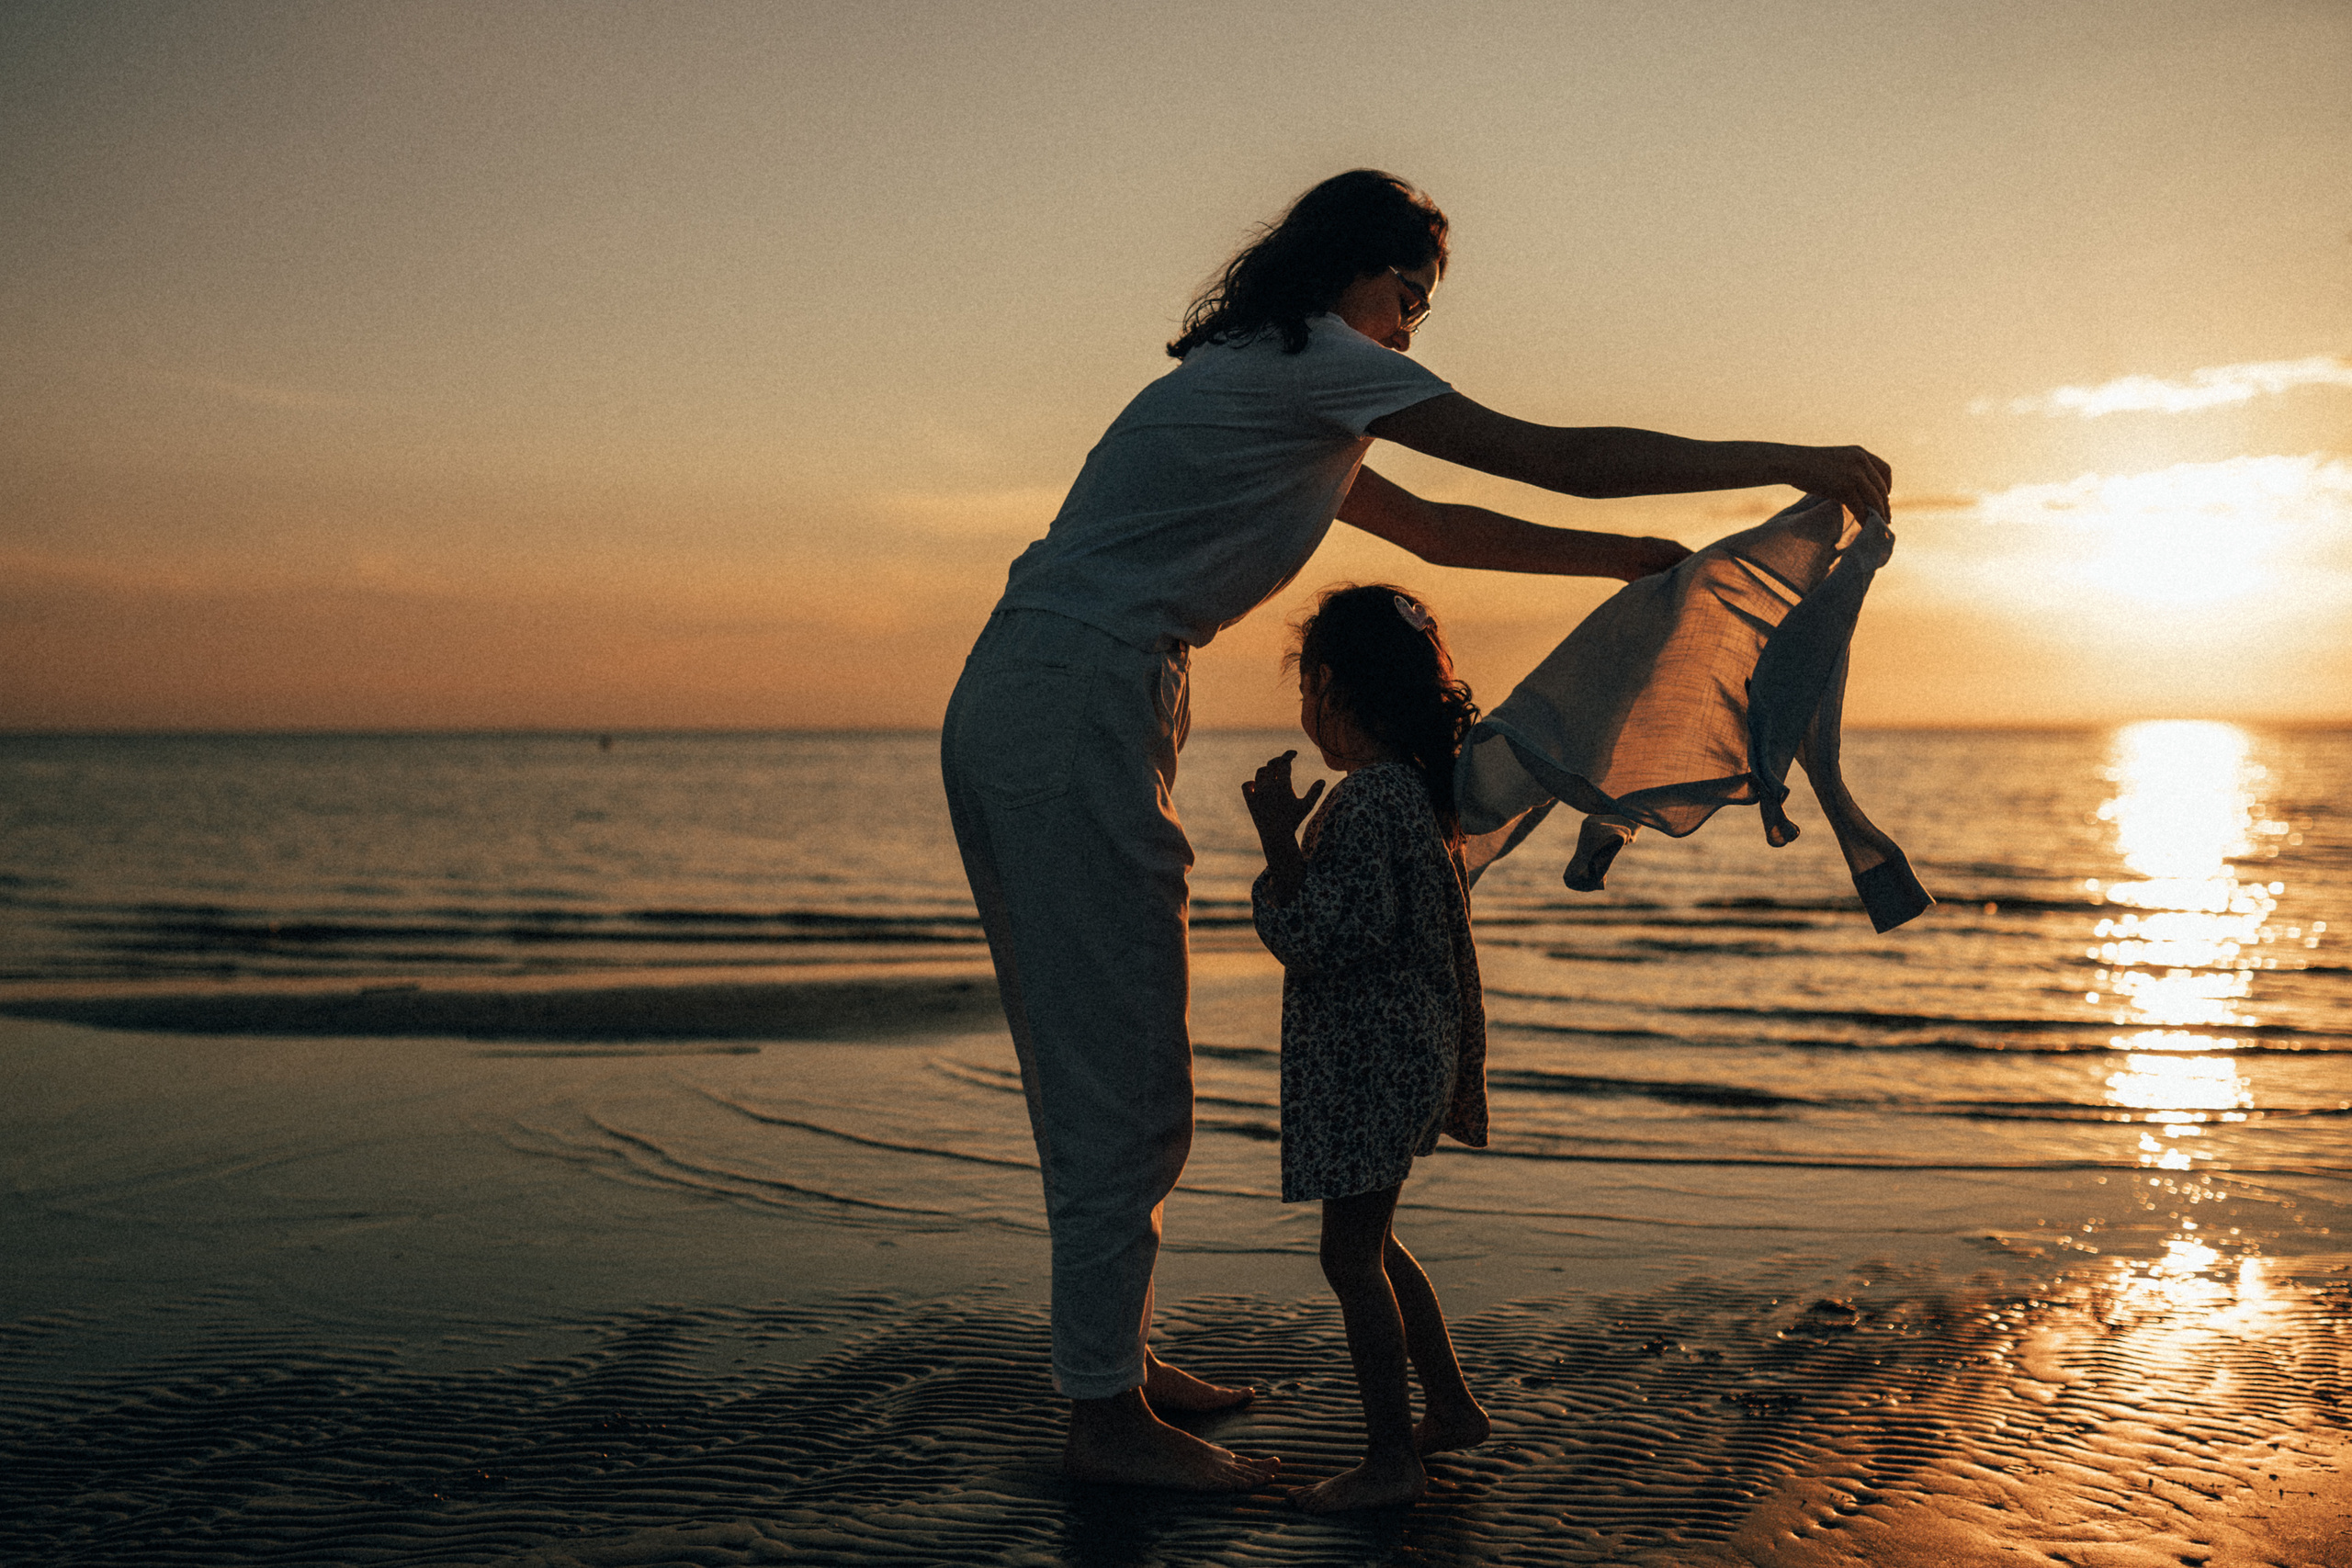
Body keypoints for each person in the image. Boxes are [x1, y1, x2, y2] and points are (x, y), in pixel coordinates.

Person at [938, 167, 1890, 1492]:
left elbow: (1439, 529)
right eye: (1408, 296)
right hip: (1073, 695)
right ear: (1350, 272)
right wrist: (1781, 459)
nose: (1410, 329)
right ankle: (1103, 1416)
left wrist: (1619, 564)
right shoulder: (1311, 364)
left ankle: (1116, 1363)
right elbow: (1550, 451)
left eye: (1424, 313)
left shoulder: (1279, 385)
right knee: (1123, 1072)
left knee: (1098, 1057)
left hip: (1058, 689)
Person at [1242, 585, 1492, 1512]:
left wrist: (1275, 843)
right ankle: (1454, 1410)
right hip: (1400, 1055)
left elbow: (1322, 935)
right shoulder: (1411, 795)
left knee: (1348, 1259)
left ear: (1331, 685)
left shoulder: (1370, 800)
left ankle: (1392, 1459)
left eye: (1306, 685)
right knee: (1373, 1245)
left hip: (1370, 1063)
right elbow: (1362, 923)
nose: (1303, 708)